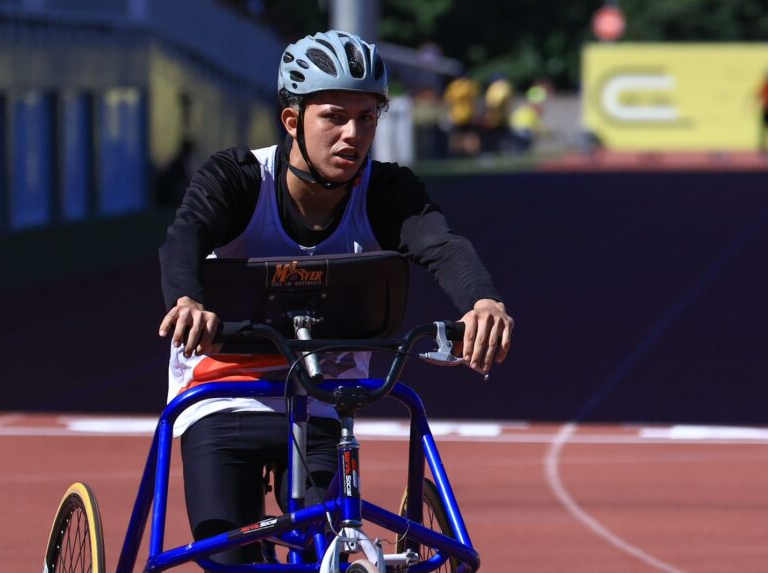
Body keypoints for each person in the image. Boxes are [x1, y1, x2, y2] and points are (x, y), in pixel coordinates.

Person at [157, 29, 514, 567]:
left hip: (323, 395)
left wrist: (483, 302)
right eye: (334, 117)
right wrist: (186, 299)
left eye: (367, 118)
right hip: (222, 390)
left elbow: (442, 245)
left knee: (332, 550)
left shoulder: (388, 191)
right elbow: (184, 236)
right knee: (225, 557)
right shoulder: (237, 178)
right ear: (293, 120)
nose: (352, 135)